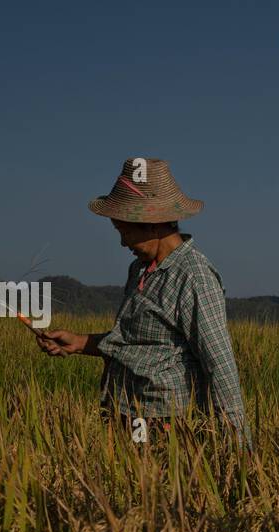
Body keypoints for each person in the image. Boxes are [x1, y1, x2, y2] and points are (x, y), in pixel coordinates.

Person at [36, 158, 248, 443]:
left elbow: (219, 363)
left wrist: (239, 446)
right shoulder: (140, 269)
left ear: (152, 224)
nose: (123, 243)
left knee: (156, 485)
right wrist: (78, 343)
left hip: (165, 421)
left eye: (126, 232)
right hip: (125, 409)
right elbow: (136, 344)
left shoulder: (193, 276)